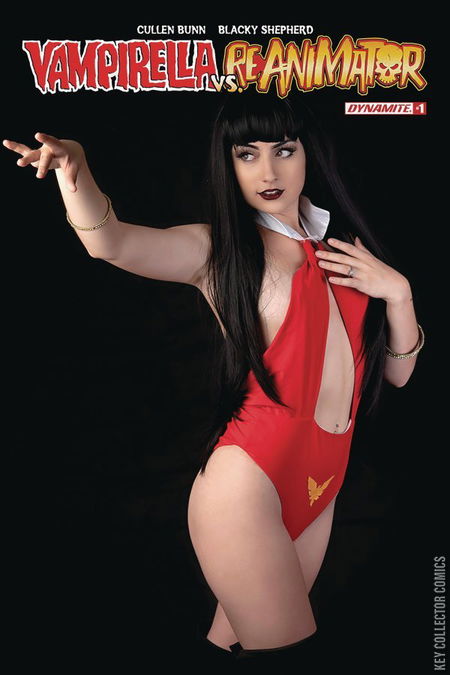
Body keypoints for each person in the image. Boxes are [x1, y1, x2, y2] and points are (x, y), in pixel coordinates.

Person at [3, 94, 424, 666]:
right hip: (247, 486)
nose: (268, 171)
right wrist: (75, 170)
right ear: (227, 164)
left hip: (322, 482)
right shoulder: (220, 251)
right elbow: (111, 243)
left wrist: (399, 295)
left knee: (230, 649)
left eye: (284, 150)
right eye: (246, 154)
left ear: (309, 154)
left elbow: (397, 374)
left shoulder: (345, 253)